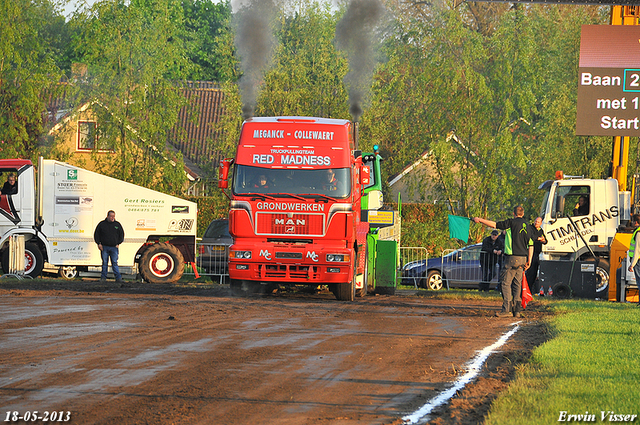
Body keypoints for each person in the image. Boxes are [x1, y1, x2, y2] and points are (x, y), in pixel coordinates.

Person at [473, 206, 533, 318]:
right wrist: (529, 259)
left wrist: (480, 220)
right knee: (517, 284)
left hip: (511, 257)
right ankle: (517, 310)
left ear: (514, 213)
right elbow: (531, 244)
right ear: (523, 213)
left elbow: (494, 224)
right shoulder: (527, 226)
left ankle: (506, 309)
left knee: (505, 283)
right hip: (523, 259)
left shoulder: (511, 223)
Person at [94, 210, 125, 283]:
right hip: (104, 247)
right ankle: (103, 278)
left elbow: (122, 234)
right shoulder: (102, 224)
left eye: (113, 216)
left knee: (114, 262)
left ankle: (118, 278)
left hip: (114, 247)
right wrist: (99, 243)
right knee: (105, 263)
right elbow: (96, 234)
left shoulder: (117, 225)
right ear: (107, 216)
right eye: (111, 216)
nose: (112, 218)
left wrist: (118, 243)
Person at [525, 217, 547, 295]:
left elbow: (545, 240)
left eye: (538, 222)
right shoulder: (530, 228)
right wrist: (538, 238)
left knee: (534, 273)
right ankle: (526, 290)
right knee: (530, 272)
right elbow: (531, 237)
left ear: (541, 223)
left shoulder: (541, 230)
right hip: (531, 252)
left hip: (537, 253)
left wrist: (543, 240)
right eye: (535, 221)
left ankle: (531, 290)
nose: (536, 223)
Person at [627, 214, 640, 306]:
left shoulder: (638, 233)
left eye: (632, 221)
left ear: (636, 222)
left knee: (639, 281)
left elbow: (637, 250)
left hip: (638, 261)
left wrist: (632, 264)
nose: (631, 223)